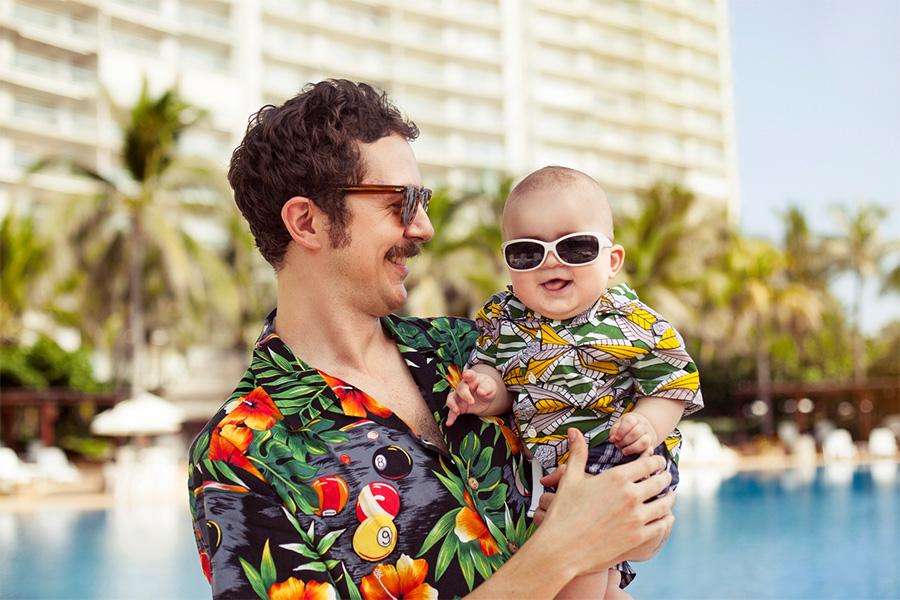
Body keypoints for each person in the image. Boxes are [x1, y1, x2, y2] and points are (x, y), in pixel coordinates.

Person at [187, 80, 675, 599]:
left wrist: (635, 520)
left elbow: (635, 501)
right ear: (307, 222)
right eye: (402, 202)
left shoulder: (477, 349)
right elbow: (577, 540)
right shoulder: (240, 454)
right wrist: (562, 552)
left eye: (423, 200)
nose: (424, 227)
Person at [445, 166, 703, 599]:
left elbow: (672, 384)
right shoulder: (504, 319)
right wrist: (484, 392)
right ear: (507, 262)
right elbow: (497, 377)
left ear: (612, 261)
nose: (551, 261)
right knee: (596, 574)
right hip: (553, 465)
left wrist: (646, 424)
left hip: (618, 451)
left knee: (578, 559)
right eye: (527, 252)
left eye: (576, 247)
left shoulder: (632, 322)